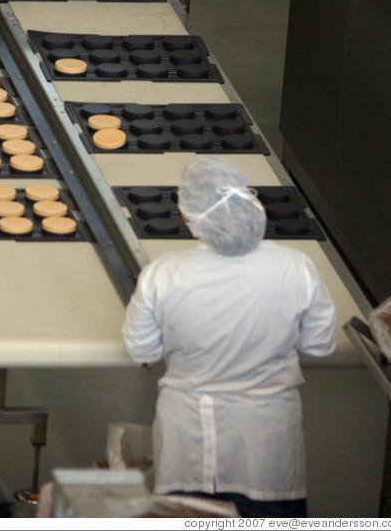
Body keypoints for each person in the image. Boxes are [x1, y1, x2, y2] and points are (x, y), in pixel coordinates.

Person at [122, 156, 337, 518]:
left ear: (189, 215)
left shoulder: (163, 274)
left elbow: (140, 348)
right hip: (268, 448)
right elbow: (320, 344)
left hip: (186, 443)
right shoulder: (295, 267)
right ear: (247, 202)